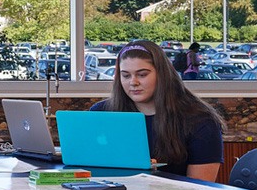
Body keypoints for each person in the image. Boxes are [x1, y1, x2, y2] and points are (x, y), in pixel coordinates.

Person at [93, 39, 224, 181]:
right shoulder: (100, 114)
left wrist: (153, 177)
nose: (133, 82)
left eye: (142, 74)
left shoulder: (200, 121)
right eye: (125, 75)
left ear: (162, 74)